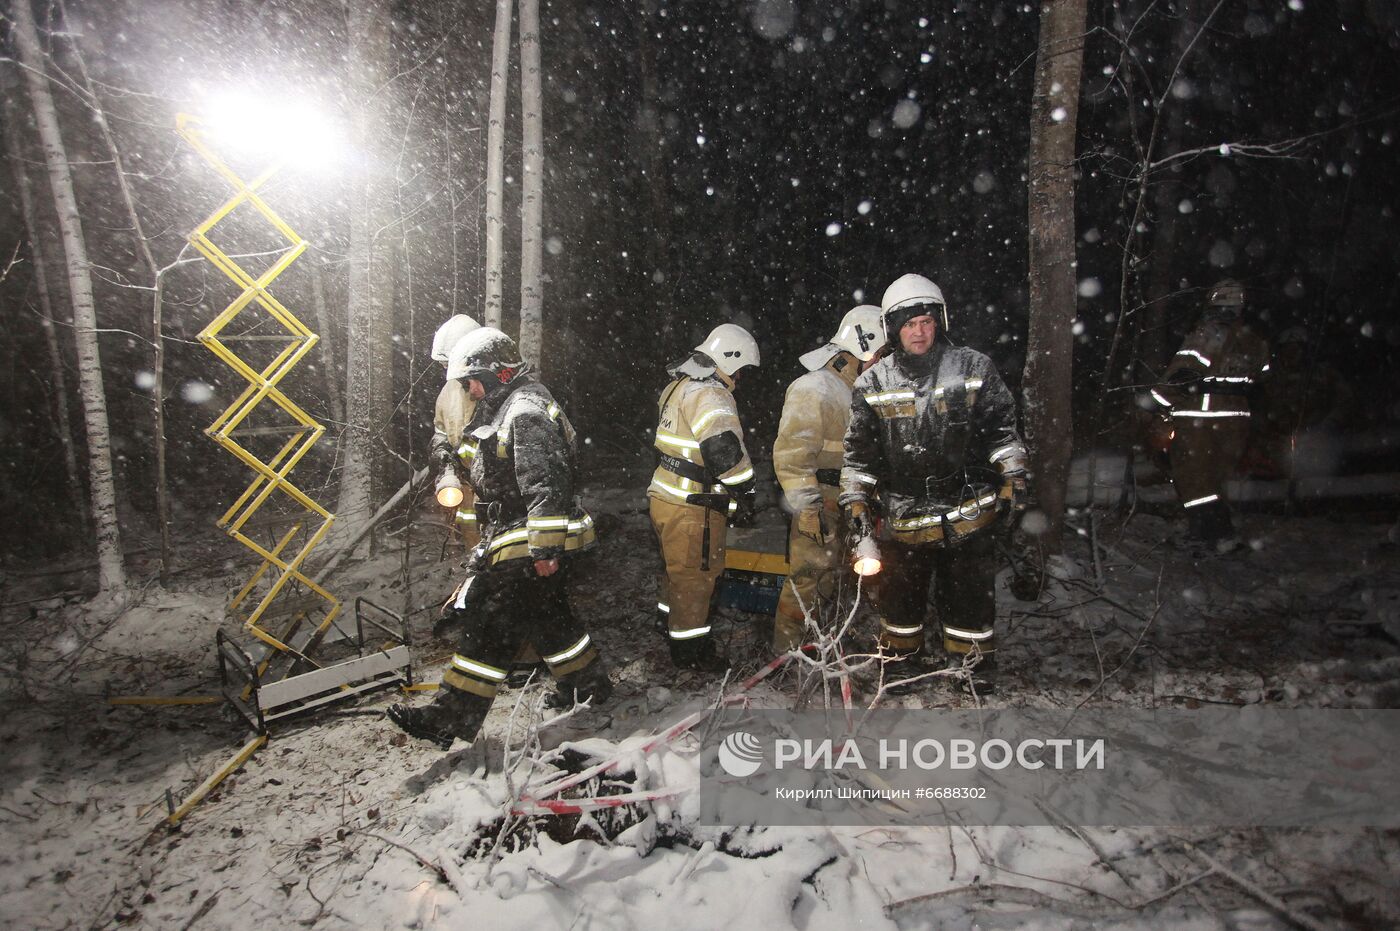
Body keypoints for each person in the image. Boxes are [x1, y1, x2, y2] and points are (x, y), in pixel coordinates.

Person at [388, 327, 610, 748]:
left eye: (473, 380)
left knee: (490, 623)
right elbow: (492, 464)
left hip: (531, 536)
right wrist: (450, 464)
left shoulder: (523, 411)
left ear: (499, 374)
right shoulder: (506, 406)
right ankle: (590, 686)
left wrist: (545, 550)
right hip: (516, 531)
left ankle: (448, 717)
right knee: (550, 619)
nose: (469, 389)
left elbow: (546, 484)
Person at [841, 274, 1027, 695]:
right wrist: (855, 502)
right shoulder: (872, 383)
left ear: (939, 320)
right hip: (904, 518)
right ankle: (901, 667)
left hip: (969, 513)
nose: (919, 331)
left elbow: (1003, 431)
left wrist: (1014, 473)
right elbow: (859, 456)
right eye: (909, 324)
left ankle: (971, 669)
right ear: (893, 328)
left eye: (925, 321)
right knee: (900, 603)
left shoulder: (973, 367)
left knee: (970, 600)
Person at [770, 304, 887, 653]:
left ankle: (821, 642)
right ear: (863, 347)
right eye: (880, 353)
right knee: (808, 581)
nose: (883, 361)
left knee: (833, 579)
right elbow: (791, 457)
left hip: (848, 501)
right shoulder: (816, 388)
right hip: (821, 502)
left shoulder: (855, 389)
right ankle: (788, 655)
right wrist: (808, 508)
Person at [648, 323, 760, 671]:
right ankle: (691, 653)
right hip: (693, 506)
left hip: (664, 497)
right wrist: (745, 492)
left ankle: (667, 623)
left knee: (676, 573)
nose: (739, 379)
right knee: (697, 578)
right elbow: (724, 452)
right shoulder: (711, 394)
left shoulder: (678, 385)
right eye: (740, 371)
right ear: (730, 361)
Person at [1150, 279, 1270, 554]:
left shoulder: (1206, 335)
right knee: (1214, 477)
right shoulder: (1254, 339)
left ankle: (1214, 534)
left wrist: (1155, 404)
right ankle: (1212, 534)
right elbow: (1263, 376)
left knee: (1192, 477)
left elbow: (1182, 373)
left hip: (1200, 417)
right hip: (1237, 420)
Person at [431, 314, 482, 548]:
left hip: (497, 488)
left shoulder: (491, 388)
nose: (445, 368)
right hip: (467, 486)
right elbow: (441, 430)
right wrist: (443, 455)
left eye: (448, 362)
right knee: (473, 536)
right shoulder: (448, 391)